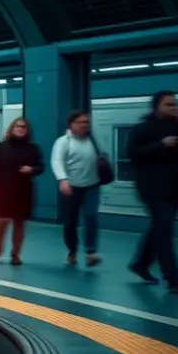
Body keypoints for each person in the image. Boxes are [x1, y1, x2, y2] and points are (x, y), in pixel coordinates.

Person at [126, 91, 178, 293]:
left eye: (175, 104)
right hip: (153, 189)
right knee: (165, 230)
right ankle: (172, 277)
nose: (174, 108)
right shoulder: (142, 129)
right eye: (169, 104)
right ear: (157, 106)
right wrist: (161, 145)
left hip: (176, 188)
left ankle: (140, 264)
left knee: (160, 228)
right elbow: (133, 153)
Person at [50, 110, 103, 266]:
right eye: (80, 122)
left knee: (91, 216)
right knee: (70, 223)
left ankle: (91, 251)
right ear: (71, 125)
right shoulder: (63, 141)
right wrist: (63, 179)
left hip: (92, 186)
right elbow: (57, 161)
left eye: (86, 122)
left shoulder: (92, 140)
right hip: (72, 188)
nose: (84, 125)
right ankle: (72, 250)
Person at [0, 118, 44, 265]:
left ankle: (16, 254)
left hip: (23, 190)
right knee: (0, 222)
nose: (21, 129)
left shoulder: (33, 149)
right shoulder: (0, 147)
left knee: (19, 223)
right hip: (2, 190)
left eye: (24, 127)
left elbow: (40, 167)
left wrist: (31, 169)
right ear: (12, 128)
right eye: (18, 126)